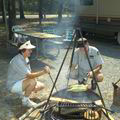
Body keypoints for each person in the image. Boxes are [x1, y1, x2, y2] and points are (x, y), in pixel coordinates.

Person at [6, 40, 50, 108]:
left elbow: (29, 73)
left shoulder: (26, 58)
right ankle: (25, 101)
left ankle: (22, 93)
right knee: (32, 81)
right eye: (29, 50)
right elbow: (29, 76)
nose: (31, 51)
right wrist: (43, 72)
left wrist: (34, 83)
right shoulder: (18, 61)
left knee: (41, 85)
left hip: (20, 81)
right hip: (12, 85)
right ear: (23, 50)